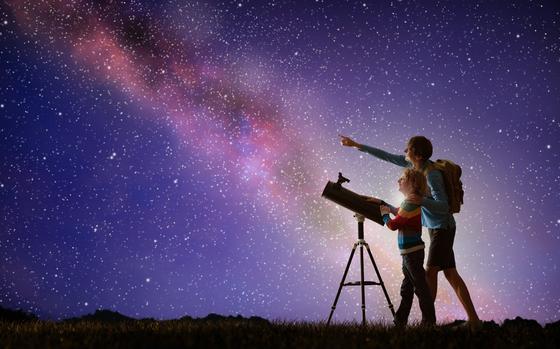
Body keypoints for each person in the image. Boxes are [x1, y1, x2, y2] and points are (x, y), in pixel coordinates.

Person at [340, 134, 481, 330]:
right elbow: (387, 156)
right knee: (450, 273)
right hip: (435, 229)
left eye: (408, 149)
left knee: (430, 273)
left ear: (418, 154)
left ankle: (428, 324)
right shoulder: (414, 168)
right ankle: (473, 321)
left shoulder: (431, 174)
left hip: (443, 228)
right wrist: (357, 145)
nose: (404, 152)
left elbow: (444, 206)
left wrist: (420, 200)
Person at [366, 168, 436, 327]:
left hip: (412, 254)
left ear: (413, 183)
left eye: (402, 178)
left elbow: (393, 224)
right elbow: (399, 211)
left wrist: (384, 214)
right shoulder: (410, 201)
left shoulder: (411, 202)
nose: (399, 181)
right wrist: (382, 203)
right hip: (408, 254)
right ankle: (400, 321)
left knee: (420, 288)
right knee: (407, 289)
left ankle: (429, 323)